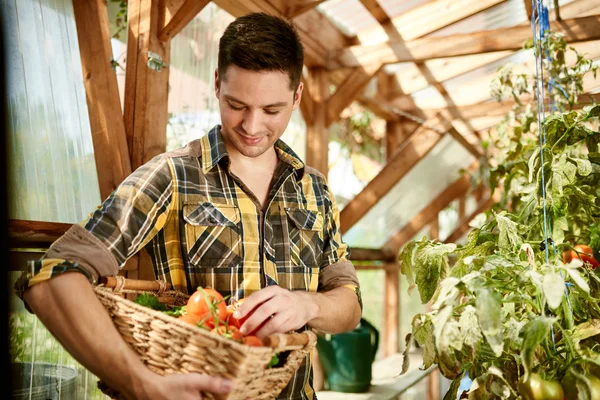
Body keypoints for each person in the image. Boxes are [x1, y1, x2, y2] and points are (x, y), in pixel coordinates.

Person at [15, 11, 362, 400]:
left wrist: (306, 305)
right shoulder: (173, 176)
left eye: (271, 111)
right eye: (236, 104)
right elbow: (50, 278)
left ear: (297, 96)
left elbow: (349, 304)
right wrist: (141, 384)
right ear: (216, 83)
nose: (251, 125)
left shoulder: (313, 188)